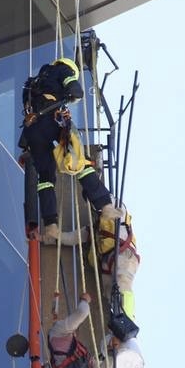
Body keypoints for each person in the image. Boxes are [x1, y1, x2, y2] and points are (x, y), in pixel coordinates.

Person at [19, 58, 122, 243]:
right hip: (50, 119)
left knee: (45, 178)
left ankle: (51, 226)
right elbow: (76, 90)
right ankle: (105, 206)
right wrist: (73, 94)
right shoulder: (62, 71)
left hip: (32, 130)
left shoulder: (33, 83)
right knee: (80, 161)